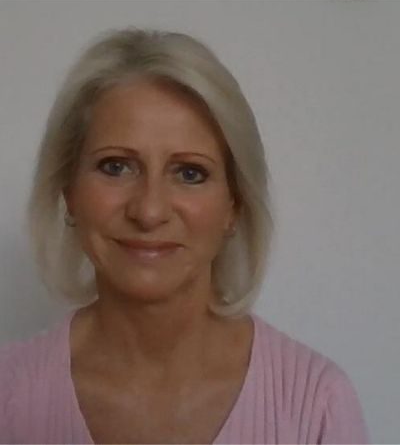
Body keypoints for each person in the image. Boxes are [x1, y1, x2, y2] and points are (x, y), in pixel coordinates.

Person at [0, 27, 369, 444]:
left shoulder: (317, 406)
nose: (149, 211)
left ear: (234, 204)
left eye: (190, 173)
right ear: (69, 191)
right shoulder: (8, 396)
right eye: (116, 167)